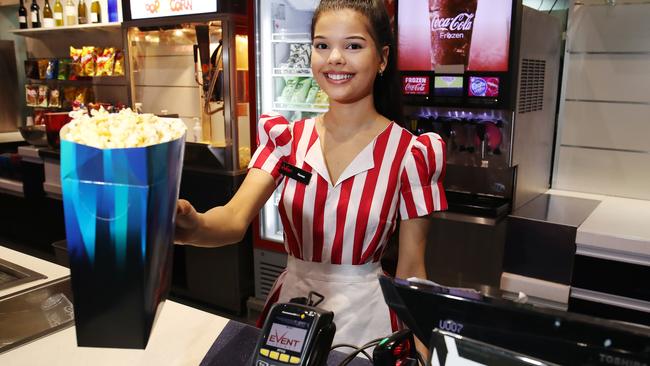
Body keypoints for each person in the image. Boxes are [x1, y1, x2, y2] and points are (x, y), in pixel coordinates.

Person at [175, 0, 447, 349]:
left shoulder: (411, 153)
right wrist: (191, 226)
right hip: (291, 314)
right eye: (322, 45)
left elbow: (411, 271)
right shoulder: (287, 139)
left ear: (382, 58)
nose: (335, 57)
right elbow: (232, 220)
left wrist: (426, 353)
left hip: (368, 324)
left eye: (353, 45)